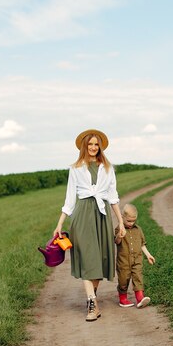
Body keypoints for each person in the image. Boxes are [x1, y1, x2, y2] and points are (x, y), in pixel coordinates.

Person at [54, 129, 126, 322]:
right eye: (90, 144)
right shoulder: (75, 168)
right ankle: (92, 302)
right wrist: (60, 224)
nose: (93, 147)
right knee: (87, 258)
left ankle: (91, 295)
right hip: (83, 216)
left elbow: (113, 197)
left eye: (96, 144)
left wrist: (120, 222)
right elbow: (69, 199)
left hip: (102, 217)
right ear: (84, 147)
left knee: (100, 259)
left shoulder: (108, 168)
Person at [114, 203, 156, 308]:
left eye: (133, 221)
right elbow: (117, 241)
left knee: (138, 277)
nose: (131, 223)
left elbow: (142, 244)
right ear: (122, 217)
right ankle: (123, 299)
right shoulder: (119, 229)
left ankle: (140, 298)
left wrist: (148, 255)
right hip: (123, 261)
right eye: (129, 221)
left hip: (137, 259)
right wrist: (119, 235)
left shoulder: (138, 230)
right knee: (124, 280)